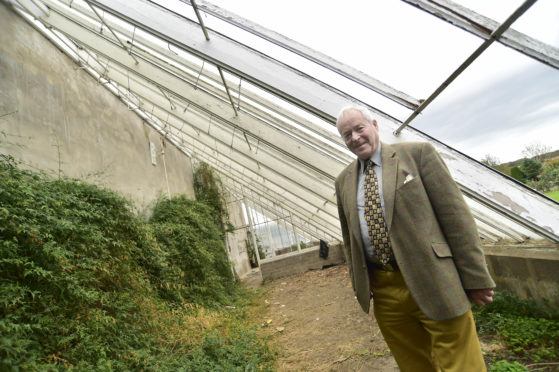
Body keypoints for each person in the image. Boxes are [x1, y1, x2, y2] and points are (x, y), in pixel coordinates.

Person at [334, 105, 495, 372]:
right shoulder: (344, 181)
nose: (355, 138)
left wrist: (476, 278)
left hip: (435, 279)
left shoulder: (418, 155)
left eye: (359, 128)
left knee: (462, 364)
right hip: (385, 289)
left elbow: (456, 219)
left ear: (374, 124)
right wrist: (359, 281)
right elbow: (349, 238)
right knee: (414, 364)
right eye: (346, 134)